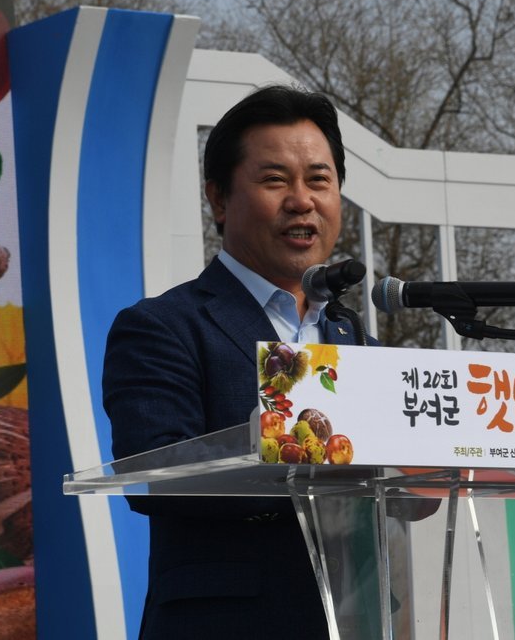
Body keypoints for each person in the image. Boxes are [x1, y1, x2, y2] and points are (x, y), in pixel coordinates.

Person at [103, 84, 363, 640]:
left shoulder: (353, 335)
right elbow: (158, 473)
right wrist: (295, 454)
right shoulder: (162, 326)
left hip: (358, 619)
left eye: (319, 180)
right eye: (275, 180)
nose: (302, 200)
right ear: (219, 200)